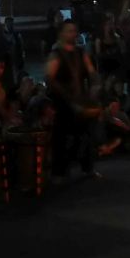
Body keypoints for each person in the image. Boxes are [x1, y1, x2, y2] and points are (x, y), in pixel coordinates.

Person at [46, 21, 100, 182]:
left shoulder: (80, 52)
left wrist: (95, 86)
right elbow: (49, 78)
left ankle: (87, 168)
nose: (73, 34)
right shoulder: (56, 54)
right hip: (62, 103)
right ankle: (59, 172)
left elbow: (91, 72)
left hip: (79, 99)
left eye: (75, 31)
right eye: (69, 31)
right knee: (61, 137)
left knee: (85, 135)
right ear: (61, 34)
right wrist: (66, 96)